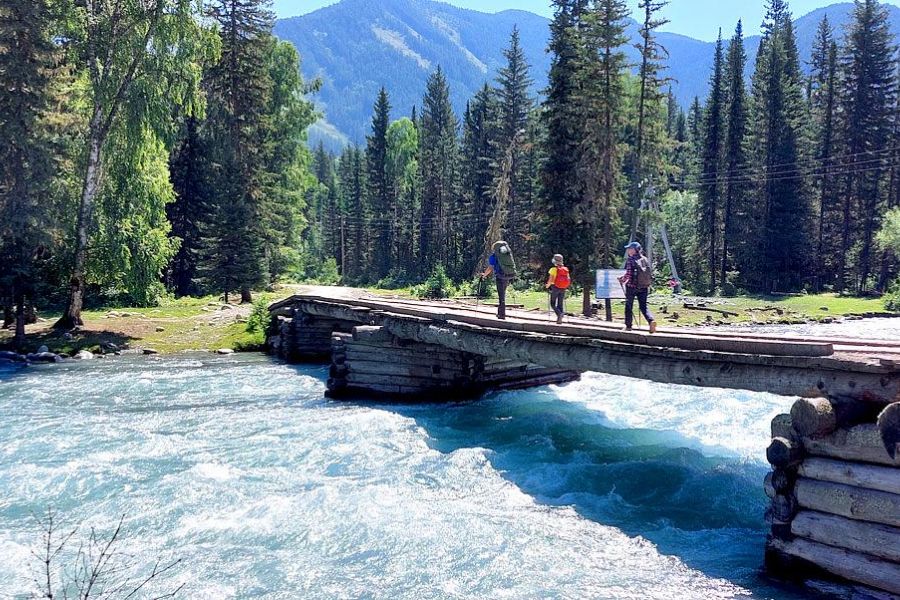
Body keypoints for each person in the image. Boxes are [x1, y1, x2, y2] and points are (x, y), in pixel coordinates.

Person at [618, 241, 657, 333]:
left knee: (629, 306)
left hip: (632, 286)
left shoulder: (630, 260)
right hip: (644, 287)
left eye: (629, 248)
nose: (628, 250)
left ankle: (628, 326)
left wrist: (622, 280)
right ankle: (651, 320)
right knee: (643, 306)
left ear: (634, 250)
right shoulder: (645, 259)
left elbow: (628, 274)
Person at [481, 240, 516, 320]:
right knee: (503, 294)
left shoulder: (494, 256)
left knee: (501, 296)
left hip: (500, 276)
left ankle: (502, 315)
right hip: (507, 275)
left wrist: (484, 275)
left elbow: (490, 268)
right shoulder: (507, 255)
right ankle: (500, 313)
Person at [545, 254, 570, 324]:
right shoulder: (565, 269)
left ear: (554, 261)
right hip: (563, 288)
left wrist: (547, 286)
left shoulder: (553, 269)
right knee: (560, 303)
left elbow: (551, 280)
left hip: (555, 287)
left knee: (552, 303)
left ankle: (559, 314)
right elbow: (568, 279)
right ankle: (560, 319)